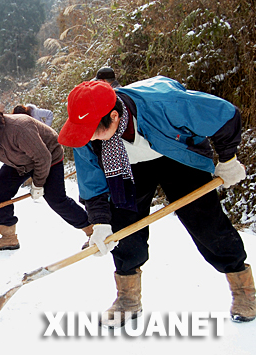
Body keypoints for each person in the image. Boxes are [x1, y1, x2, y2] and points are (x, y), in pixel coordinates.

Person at [58, 76, 254, 327]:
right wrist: (100, 224)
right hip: (125, 164)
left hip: (177, 154)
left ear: (115, 117)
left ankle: (243, 289)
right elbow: (93, 184)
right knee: (123, 225)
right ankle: (128, 297)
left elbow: (225, 115)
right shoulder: (87, 133)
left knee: (205, 221)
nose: (90, 138)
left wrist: (228, 161)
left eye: (95, 132)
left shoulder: (166, 104)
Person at [0, 102, 93, 251]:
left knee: (55, 198)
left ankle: (92, 230)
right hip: (19, 162)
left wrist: (38, 184)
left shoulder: (20, 128)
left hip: (49, 157)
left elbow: (43, 158)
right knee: (1, 191)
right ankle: (8, 237)